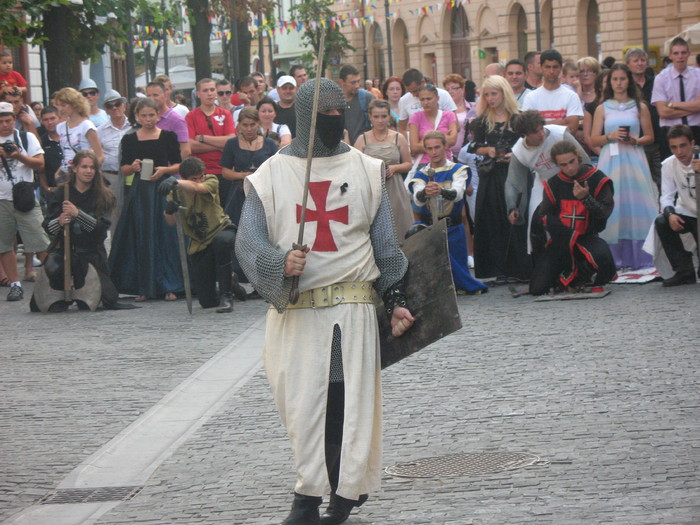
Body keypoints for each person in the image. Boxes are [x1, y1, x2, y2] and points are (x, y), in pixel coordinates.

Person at [235, 78, 414, 525]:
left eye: (340, 111)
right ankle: (316, 489)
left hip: (352, 308)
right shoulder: (270, 175)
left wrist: (395, 300)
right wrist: (279, 265)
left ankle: (329, 497)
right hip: (296, 312)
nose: (334, 120)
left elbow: (386, 248)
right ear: (304, 117)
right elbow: (249, 243)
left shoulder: (368, 170)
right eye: (325, 114)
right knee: (302, 406)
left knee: (345, 404)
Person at [34, 150, 135, 311]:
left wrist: (78, 214)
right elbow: (48, 227)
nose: (88, 171)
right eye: (84, 167)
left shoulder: (103, 195)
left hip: (91, 252)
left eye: (92, 168)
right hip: (64, 251)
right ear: (74, 168)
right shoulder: (62, 193)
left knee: (106, 298)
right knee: (52, 277)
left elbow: (101, 231)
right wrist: (59, 222)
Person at [109, 97, 183, 302]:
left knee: (166, 237)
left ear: (158, 115)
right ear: (136, 117)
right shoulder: (130, 139)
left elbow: (178, 164)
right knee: (142, 236)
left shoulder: (168, 136)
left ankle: (170, 284)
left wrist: (164, 170)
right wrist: (132, 167)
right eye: (144, 115)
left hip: (163, 188)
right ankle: (144, 285)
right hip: (141, 191)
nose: (148, 119)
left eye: (151, 115)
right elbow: (123, 168)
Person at [590, 63, 657, 269]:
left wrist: (635, 140)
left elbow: (650, 136)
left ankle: (641, 255)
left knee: (637, 202)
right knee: (614, 202)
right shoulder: (602, 108)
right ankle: (614, 257)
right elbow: (593, 139)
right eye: (615, 79)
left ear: (629, 80)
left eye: (622, 78)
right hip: (611, 159)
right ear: (609, 82)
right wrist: (610, 136)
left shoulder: (640, 106)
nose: (619, 83)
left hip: (634, 159)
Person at [529, 140, 616, 295]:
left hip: (587, 237)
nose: (569, 168)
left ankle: (579, 278)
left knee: (602, 257)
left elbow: (604, 212)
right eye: (563, 165)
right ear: (556, 164)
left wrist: (586, 199)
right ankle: (563, 278)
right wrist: (564, 233)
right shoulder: (554, 183)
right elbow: (543, 215)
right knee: (538, 288)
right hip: (562, 240)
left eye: (572, 162)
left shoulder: (596, 178)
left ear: (578, 157)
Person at [160, 157, 246, 311]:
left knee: (222, 242)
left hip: (221, 230)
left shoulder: (211, 180)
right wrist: (169, 210)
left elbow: (198, 188)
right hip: (199, 242)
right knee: (207, 302)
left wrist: (177, 182)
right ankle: (230, 283)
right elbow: (171, 222)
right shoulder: (176, 193)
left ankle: (227, 295)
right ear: (185, 177)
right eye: (195, 178)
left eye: (201, 176)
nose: (200, 180)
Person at [407, 131, 487, 294]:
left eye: (437, 147)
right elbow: (418, 199)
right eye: (429, 148)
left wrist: (441, 190)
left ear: (445, 147)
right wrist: (426, 192)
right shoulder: (421, 174)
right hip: (432, 230)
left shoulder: (458, 169)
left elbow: (458, 193)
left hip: (454, 227)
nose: (434, 152)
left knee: (459, 274)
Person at [467, 75, 528, 282]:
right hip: (492, 175)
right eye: (487, 95)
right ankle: (496, 268)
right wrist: (489, 150)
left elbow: (528, 142)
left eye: (494, 93)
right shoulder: (483, 120)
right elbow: (474, 146)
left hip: (514, 173)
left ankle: (519, 268)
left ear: (504, 93)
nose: (491, 98)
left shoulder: (518, 118)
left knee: (515, 215)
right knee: (492, 218)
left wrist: (515, 154)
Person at [506, 110, 591, 257]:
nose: (541, 134)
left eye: (541, 128)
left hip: (571, 179)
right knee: (537, 218)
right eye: (535, 132)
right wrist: (513, 207)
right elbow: (515, 181)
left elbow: (583, 160)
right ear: (524, 134)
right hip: (544, 183)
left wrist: (586, 184)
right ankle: (546, 257)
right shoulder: (519, 151)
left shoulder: (559, 134)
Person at [0, 101, 48, 301]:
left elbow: (40, 164)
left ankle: (51, 280)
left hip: (25, 197)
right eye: (1, 121)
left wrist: (18, 155)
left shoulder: (26, 138)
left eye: (8, 120)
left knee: (40, 240)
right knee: (4, 245)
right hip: (2, 199)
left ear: (14, 120)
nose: (5, 125)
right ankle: (15, 284)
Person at [354, 99, 414, 239]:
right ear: (370, 117)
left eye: (383, 116)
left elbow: (408, 164)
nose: (380, 120)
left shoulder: (399, 138)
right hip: (372, 188)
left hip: (394, 188)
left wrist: (394, 168)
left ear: (389, 116)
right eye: (376, 116)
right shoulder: (362, 139)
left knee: (399, 227)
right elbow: (355, 166)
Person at [650, 125, 698, 286]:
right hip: (688, 212)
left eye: (683, 145)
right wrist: (670, 214)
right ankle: (684, 271)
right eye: (674, 147)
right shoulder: (669, 164)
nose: (679, 152)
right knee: (662, 222)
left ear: (692, 143)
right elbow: (666, 196)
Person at [220, 107, 278, 227]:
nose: (249, 129)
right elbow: (225, 171)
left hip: (264, 191)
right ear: (239, 125)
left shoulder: (269, 144)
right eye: (245, 125)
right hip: (239, 193)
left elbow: (277, 169)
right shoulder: (232, 144)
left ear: (259, 124)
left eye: (252, 124)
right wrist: (242, 175)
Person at [186, 78, 237, 210]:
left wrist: (203, 138)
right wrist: (219, 145)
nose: (209, 93)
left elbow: (230, 141)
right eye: (205, 90)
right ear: (198, 94)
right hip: (201, 174)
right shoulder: (191, 116)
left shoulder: (225, 114)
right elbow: (191, 145)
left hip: (224, 171)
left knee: (225, 212)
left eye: (212, 90)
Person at [651, 37, 700, 161]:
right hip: (670, 131)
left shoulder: (698, 75)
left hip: (695, 129)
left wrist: (673, 104)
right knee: (671, 168)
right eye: (676, 53)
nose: (680, 57)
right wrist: (693, 108)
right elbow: (663, 112)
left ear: (689, 54)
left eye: (683, 53)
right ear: (670, 55)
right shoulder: (661, 78)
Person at [522, 49, 583, 136]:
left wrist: (542, 124)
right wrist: (562, 122)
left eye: (555, 67)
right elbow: (529, 128)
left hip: (563, 146)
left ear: (560, 68)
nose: (551, 71)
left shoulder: (571, 96)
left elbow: (572, 128)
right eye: (547, 67)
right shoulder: (530, 97)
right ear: (542, 67)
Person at [625, 47, 662, 191]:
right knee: (640, 185)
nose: (640, 63)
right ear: (628, 64)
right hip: (635, 142)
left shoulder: (656, 82)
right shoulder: (626, 87)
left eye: (642, 60)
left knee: (661, 180)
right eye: (636, 61)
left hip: (658, 140)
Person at [97, 89, 132, 236]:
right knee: (114, 215)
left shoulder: (135, 127)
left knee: (134, 212)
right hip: (111, 176)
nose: (115, 108)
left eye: (117, 103)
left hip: (132, 175)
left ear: (124, 105)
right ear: (106, 110)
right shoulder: (100, 131)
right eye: (110, 106)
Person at [53, 87, 104, 182]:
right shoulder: (60, 127)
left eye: (64, 105)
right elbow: (66, 153)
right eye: (58, 106)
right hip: (65, 174)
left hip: (82, 175)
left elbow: (99, 155)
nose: (60, 109)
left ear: (74, 104)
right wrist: (59, 172)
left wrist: (89, 173)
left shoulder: (87, 126)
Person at [408, 84, 458, 169]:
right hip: (423, 164)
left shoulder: (449, 115)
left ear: (437, 98)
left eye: (429, 99)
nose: (426, 102)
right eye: (422, 99)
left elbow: (453, 140)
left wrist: (423, 141)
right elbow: (414, 147)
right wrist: (443, 138)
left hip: (445, 163)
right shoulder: (416, 117)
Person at [398, 68, 457, 137]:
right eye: (410, 92)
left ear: (423, 82)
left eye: (415, 91)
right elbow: (402, 128)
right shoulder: (404, 100)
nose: (413, 95)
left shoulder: (443, 94)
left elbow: (456, 125)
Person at [146, 81, 190, 160]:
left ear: (165, 95)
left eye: (155, 95)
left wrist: (170, 168)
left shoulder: (177, 120)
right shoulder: (146, 120)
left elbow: (185, 151)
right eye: (148, 95)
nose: (151, 98)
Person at [338, 65, 375, 146]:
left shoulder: (367, 98)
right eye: (353, 82)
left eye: (358, 81)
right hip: (342, 151)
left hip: (365, 149)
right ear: (341, 82)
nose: (357, 85)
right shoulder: (334, 102)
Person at [443, 73, 477, 160]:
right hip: (448, 155)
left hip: (468, 154)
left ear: (462, 89)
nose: (450, 91)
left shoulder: (473, 107)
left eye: (454, 88)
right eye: (447, 89)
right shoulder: (442, 111)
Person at [37, 106, 64, 195]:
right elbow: (41, 169)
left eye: (53, 118)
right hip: (53, 190)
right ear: (42, 122)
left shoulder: (69, 137)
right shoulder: (41, 142)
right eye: (46, 120)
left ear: (59, 118)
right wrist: (46, 188)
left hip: (74, 188)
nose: (50, 122)